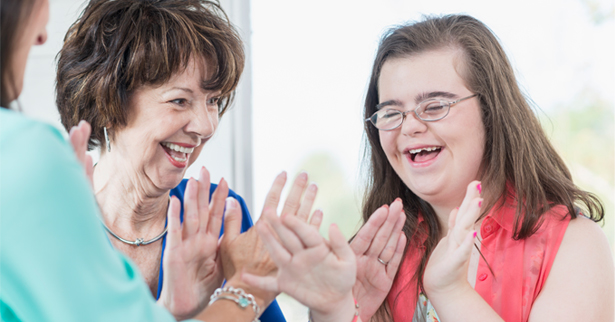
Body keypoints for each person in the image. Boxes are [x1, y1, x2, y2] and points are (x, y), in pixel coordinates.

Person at [351, 14, 614, 322]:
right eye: (391, 112)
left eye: (435, 106)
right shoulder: (378, 258)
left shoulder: (574, 244)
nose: (409, 127)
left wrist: (452, 293)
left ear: (491, 112)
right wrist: (336, 313)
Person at [54, 0, 286, 320]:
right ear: (110, 102)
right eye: (179, 101)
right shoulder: (52, 224)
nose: (206, 127)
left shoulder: (223, 215)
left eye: (213, 101)